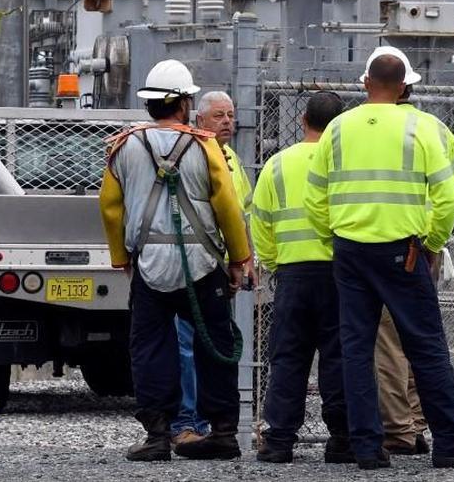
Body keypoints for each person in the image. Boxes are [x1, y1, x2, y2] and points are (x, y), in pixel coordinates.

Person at [304, 53, 454, 470]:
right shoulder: (420, 126)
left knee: (356, 350)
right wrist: (432, 243)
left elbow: (315, 196)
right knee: (426, 347)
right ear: (404, 88)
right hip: (403, 251)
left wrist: (332, 236)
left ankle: (367, 448)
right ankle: (450, 443)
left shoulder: (337, 129)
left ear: (366, 82)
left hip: (349, 250)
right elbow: (445, 195)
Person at [99, 59, 256, 462]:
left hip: (148, 265)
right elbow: (227, 206)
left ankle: (156, 436)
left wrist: (122, 259)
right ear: (185, 103)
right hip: (202, 265)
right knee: (214, 345)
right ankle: (222, 432)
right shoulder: (205, 146)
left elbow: (111, 209)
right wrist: (239, 259)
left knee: (150, 350)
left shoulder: (124, 145)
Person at [360, 45, 454, 456]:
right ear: (408, 85)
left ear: (368, 83)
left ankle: (400, 430)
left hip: (371, 245)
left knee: (386, 343)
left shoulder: (354, 126)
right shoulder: (430, 127)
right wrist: (432, 234)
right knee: (421, 340)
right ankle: (420, 421)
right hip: (418, 247)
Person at [250, 90, 353, 464]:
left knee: (289, 358)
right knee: (339, 357)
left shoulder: (277, 165)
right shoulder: (344, 163)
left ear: (302, 121)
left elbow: (259, 220)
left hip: (292, 275)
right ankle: (342, 439)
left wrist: (277, 264)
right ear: (339, 126)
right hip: (339, 274)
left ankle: (278, 440)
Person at [170, 90, 252, 446]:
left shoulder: (231, 157)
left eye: (231, 115)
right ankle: (186, 420)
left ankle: (207, 419)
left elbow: (242, 211)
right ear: (199, 119)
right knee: (187, 344)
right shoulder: (190, 152)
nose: (227, 122)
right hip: (192, 264)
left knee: (216, 345)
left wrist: (245, 258)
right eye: (219, 116)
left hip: (220, 264)